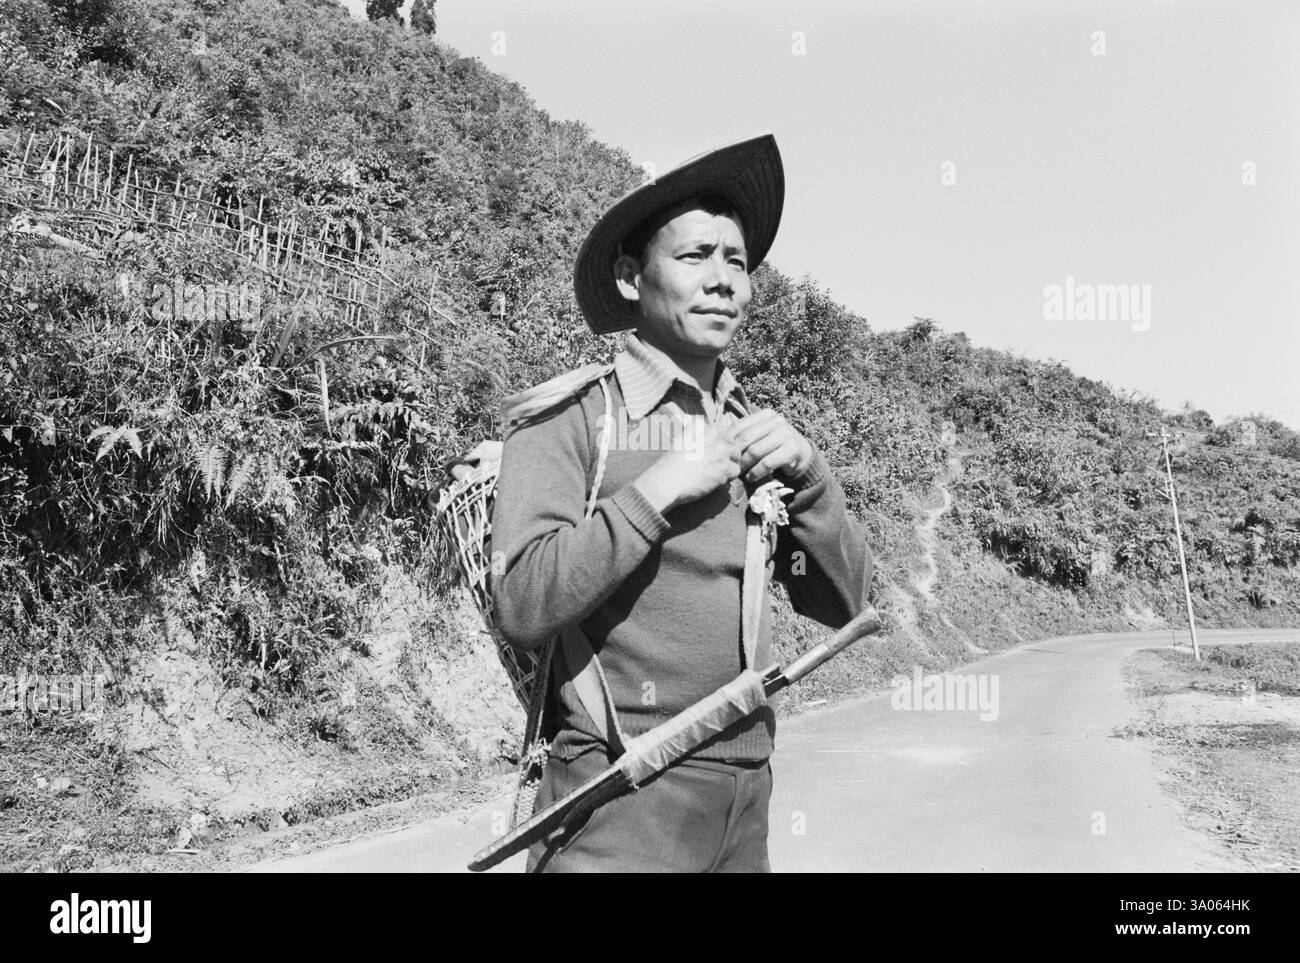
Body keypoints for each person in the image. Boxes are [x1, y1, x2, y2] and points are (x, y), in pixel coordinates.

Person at [489, 134, 873, 872]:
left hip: (746, 801)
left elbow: (845, 605)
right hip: (620, 800)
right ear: (633, 277)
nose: (723, 279)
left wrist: (812, 475)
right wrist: (657, 491)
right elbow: (524, 599)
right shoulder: (573, 418)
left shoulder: (754, 432)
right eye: (695, 256)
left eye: (736, 260)